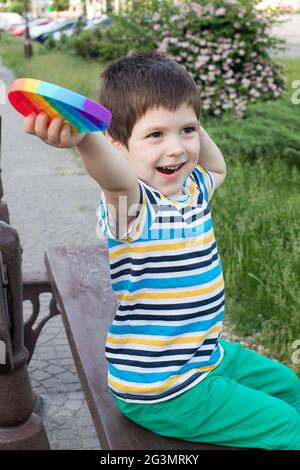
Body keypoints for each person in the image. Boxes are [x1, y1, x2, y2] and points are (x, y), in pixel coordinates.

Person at [23, 51, 300, 450]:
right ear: (118, 147)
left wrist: (185, 110)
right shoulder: (133, 207)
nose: (176, 149)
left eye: (187, 130)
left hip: (203, 355)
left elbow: (218, 168)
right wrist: (86, 140)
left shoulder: (192, 188)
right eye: (156, 135)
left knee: (289, 386)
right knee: (287, 426)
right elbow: (112, 177)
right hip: (161, 387)